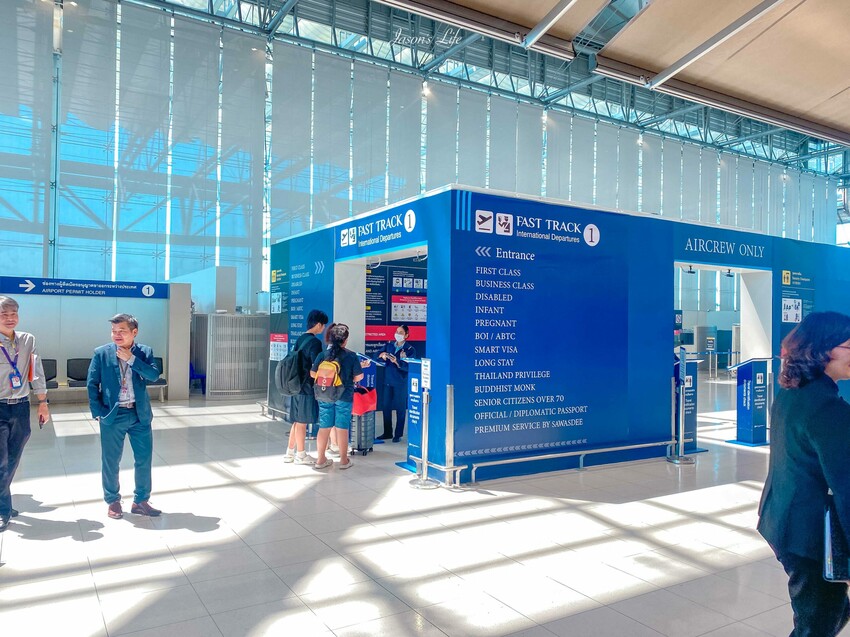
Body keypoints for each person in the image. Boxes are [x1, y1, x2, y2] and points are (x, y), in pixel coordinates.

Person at [758, 311, 850, 636]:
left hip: (783, 519)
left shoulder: (793, 391)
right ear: (823, 350)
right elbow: (846, 487)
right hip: (811, 536)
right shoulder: (829, 409)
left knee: (829, 612)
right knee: (816, 625)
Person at [87, 313, 162, 520]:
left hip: (139, 414)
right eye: (114, 331)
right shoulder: (101, 353)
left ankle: (141, 500)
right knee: (111, 460)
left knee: (144, 459)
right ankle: (113, 500)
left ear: (134, 332)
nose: (117, 335)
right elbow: (92, 384)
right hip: (113, 414)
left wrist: (132, 360)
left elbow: (153, 375)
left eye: (122, 331)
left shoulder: (144, 352)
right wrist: (98, 412)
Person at [0, 296, 50, 532]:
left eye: (13, 314)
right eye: (4, 314)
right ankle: (3, 509)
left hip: (20, 406)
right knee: (1, 461)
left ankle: (4, 502)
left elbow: (36, 371)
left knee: (12, 459)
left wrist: (42, 402)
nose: (10, 319)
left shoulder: (27, 340)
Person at [310, 323, 363, 470]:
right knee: (342, 428)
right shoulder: (351, 355)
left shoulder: (323, 355)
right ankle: (344, 461)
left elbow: (313, 373)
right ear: (345, 340)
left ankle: (320, 460)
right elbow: (359, 377)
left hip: (325, 394)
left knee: (324, 427)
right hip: (344, 395)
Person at [283, 309, 328, 465]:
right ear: (318, 324)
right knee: (302, 421)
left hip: (295, 384)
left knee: (297, 420)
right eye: (323, 325)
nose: (324, 328)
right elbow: (316, 366)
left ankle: (290, 452)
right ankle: (301, 455)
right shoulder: (315, 343)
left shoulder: (301, 338)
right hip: (306, 386)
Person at [376, 324, 416, 442]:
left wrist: (397, 361)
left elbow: (409, 367)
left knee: (400, 408)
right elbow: (376, 355)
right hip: (388, 381)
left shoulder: (410, 349)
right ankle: (387, 432)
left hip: (400, 382)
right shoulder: (389, 345)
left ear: (406, 335)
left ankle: (398, 434)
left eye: (401, 332)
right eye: (397, 331)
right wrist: (382, 355)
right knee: (386, 407)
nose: (398, 334)